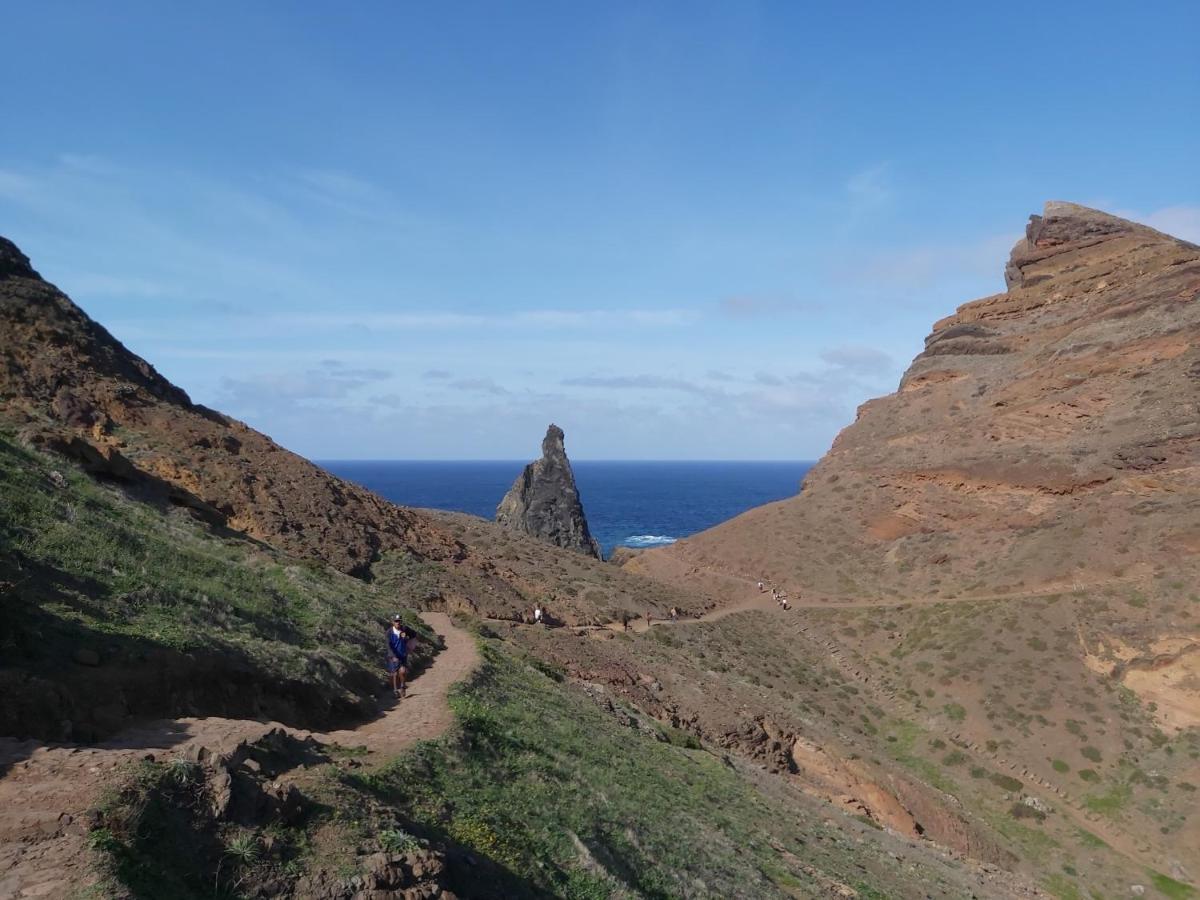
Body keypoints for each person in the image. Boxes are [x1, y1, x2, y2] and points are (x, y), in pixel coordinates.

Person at [387, 615, 413, 699]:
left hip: (402, 655)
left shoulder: (404, 629)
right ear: (393, 622)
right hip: (393, 656)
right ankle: (395, 691)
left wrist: (409, 643)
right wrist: (393, 656)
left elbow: (413, 634)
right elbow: (388, 646)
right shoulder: (389, 632)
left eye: (399, 621)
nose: (398, 622)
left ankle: (402, 687)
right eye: (396, 621)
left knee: (403, 671)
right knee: (394, 673)